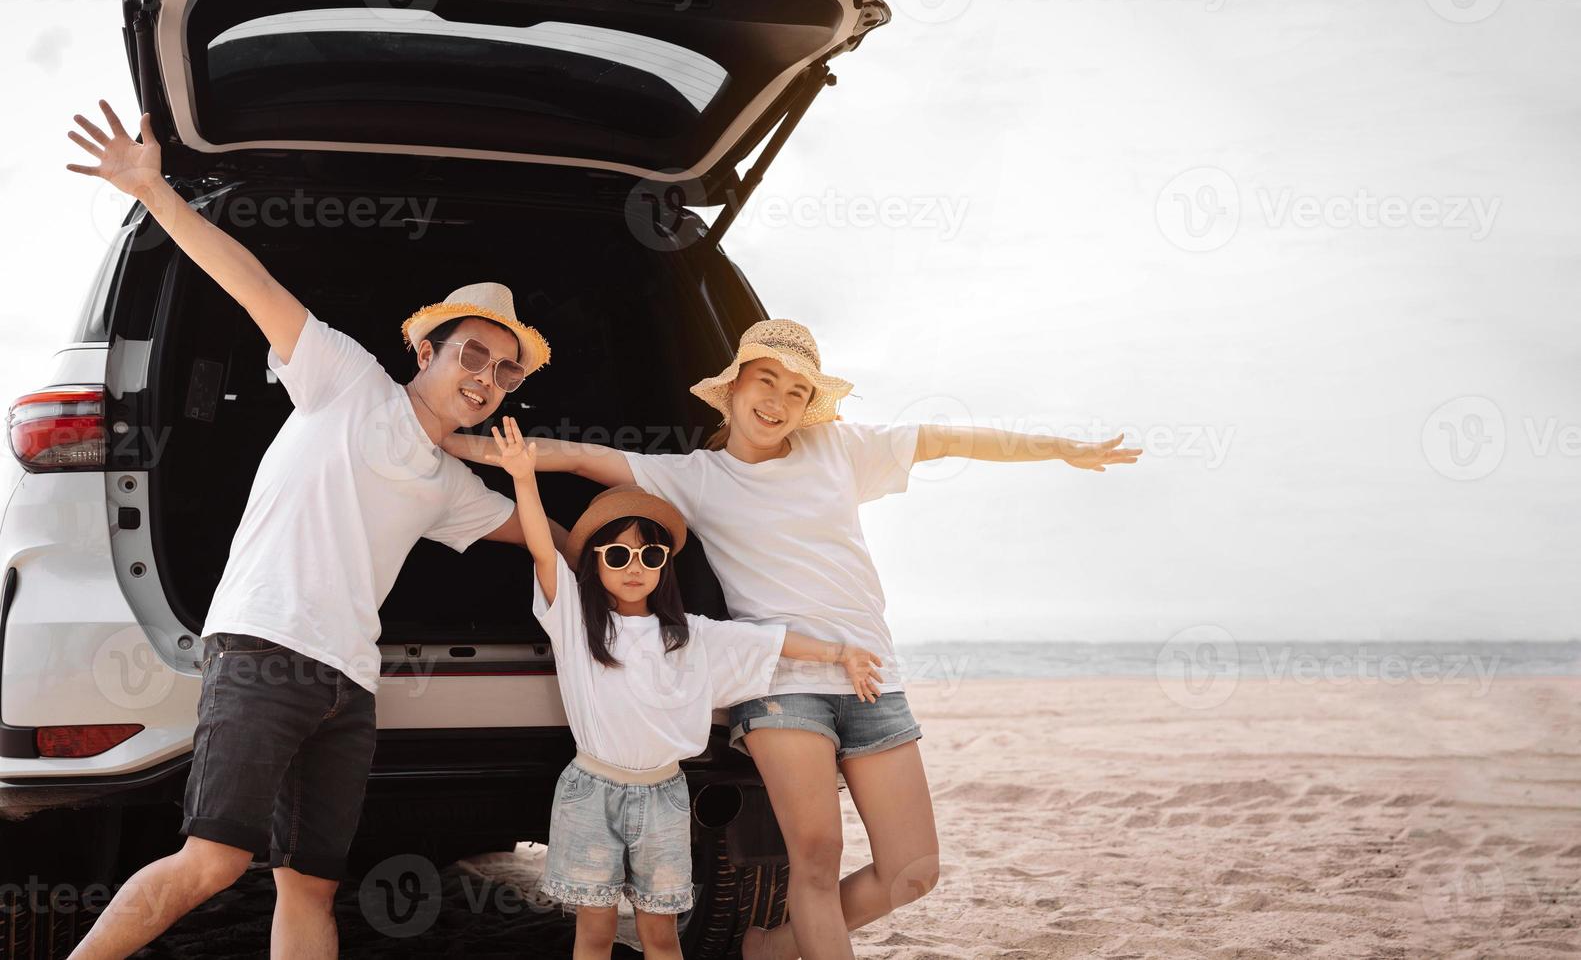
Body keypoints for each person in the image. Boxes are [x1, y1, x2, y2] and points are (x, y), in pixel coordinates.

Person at [446, 318, 1140, 959]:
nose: (778, 400)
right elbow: (572, 458)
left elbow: (947, 438)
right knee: (813, 857)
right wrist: (448, 441)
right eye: (766, 380)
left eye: (796, 389)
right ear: (734, 388)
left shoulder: (840, 449)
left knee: (912, 873)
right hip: (781, 687)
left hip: (870, 678)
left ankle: (774, 946)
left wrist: (1063, 450)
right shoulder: (696, 476)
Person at [63, 101, 559, 959]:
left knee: (310, 887)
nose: (487, 375)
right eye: (471, 353)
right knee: (212, 862)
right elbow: (246, 279)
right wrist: (154, 190)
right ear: (427, 352)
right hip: (264, 649)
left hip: (349, 687)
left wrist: (568, 483)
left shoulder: (451, 487)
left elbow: (550, 543)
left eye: (504, 368)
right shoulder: (345, 379)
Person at [482, 417, 882, 959]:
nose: (634, 567)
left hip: (665, 798)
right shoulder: (574, 622)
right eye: (618, 554)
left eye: (650, 555)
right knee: (594, 935)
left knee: (660, 937)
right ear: (595, 562)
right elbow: (540, 550)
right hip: (589, 793)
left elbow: (770, 640)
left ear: (665, 565)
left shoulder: (690, 636)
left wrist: (840, 653)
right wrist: (524, 479)